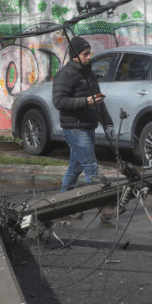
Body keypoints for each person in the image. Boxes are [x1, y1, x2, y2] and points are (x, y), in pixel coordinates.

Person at [52, 36, 114, 192]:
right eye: (84, 54)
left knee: (74, 169)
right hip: (74, 129)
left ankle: (61, 204)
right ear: (75, 56)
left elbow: (99, 101)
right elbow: (59, 102)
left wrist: (108, 123)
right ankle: (100, 205)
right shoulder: (65, 75)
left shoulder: (89, 74)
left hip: (88, 126)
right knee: (91, 168)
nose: (88, 57)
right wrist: (86, 101)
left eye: (89, 53)